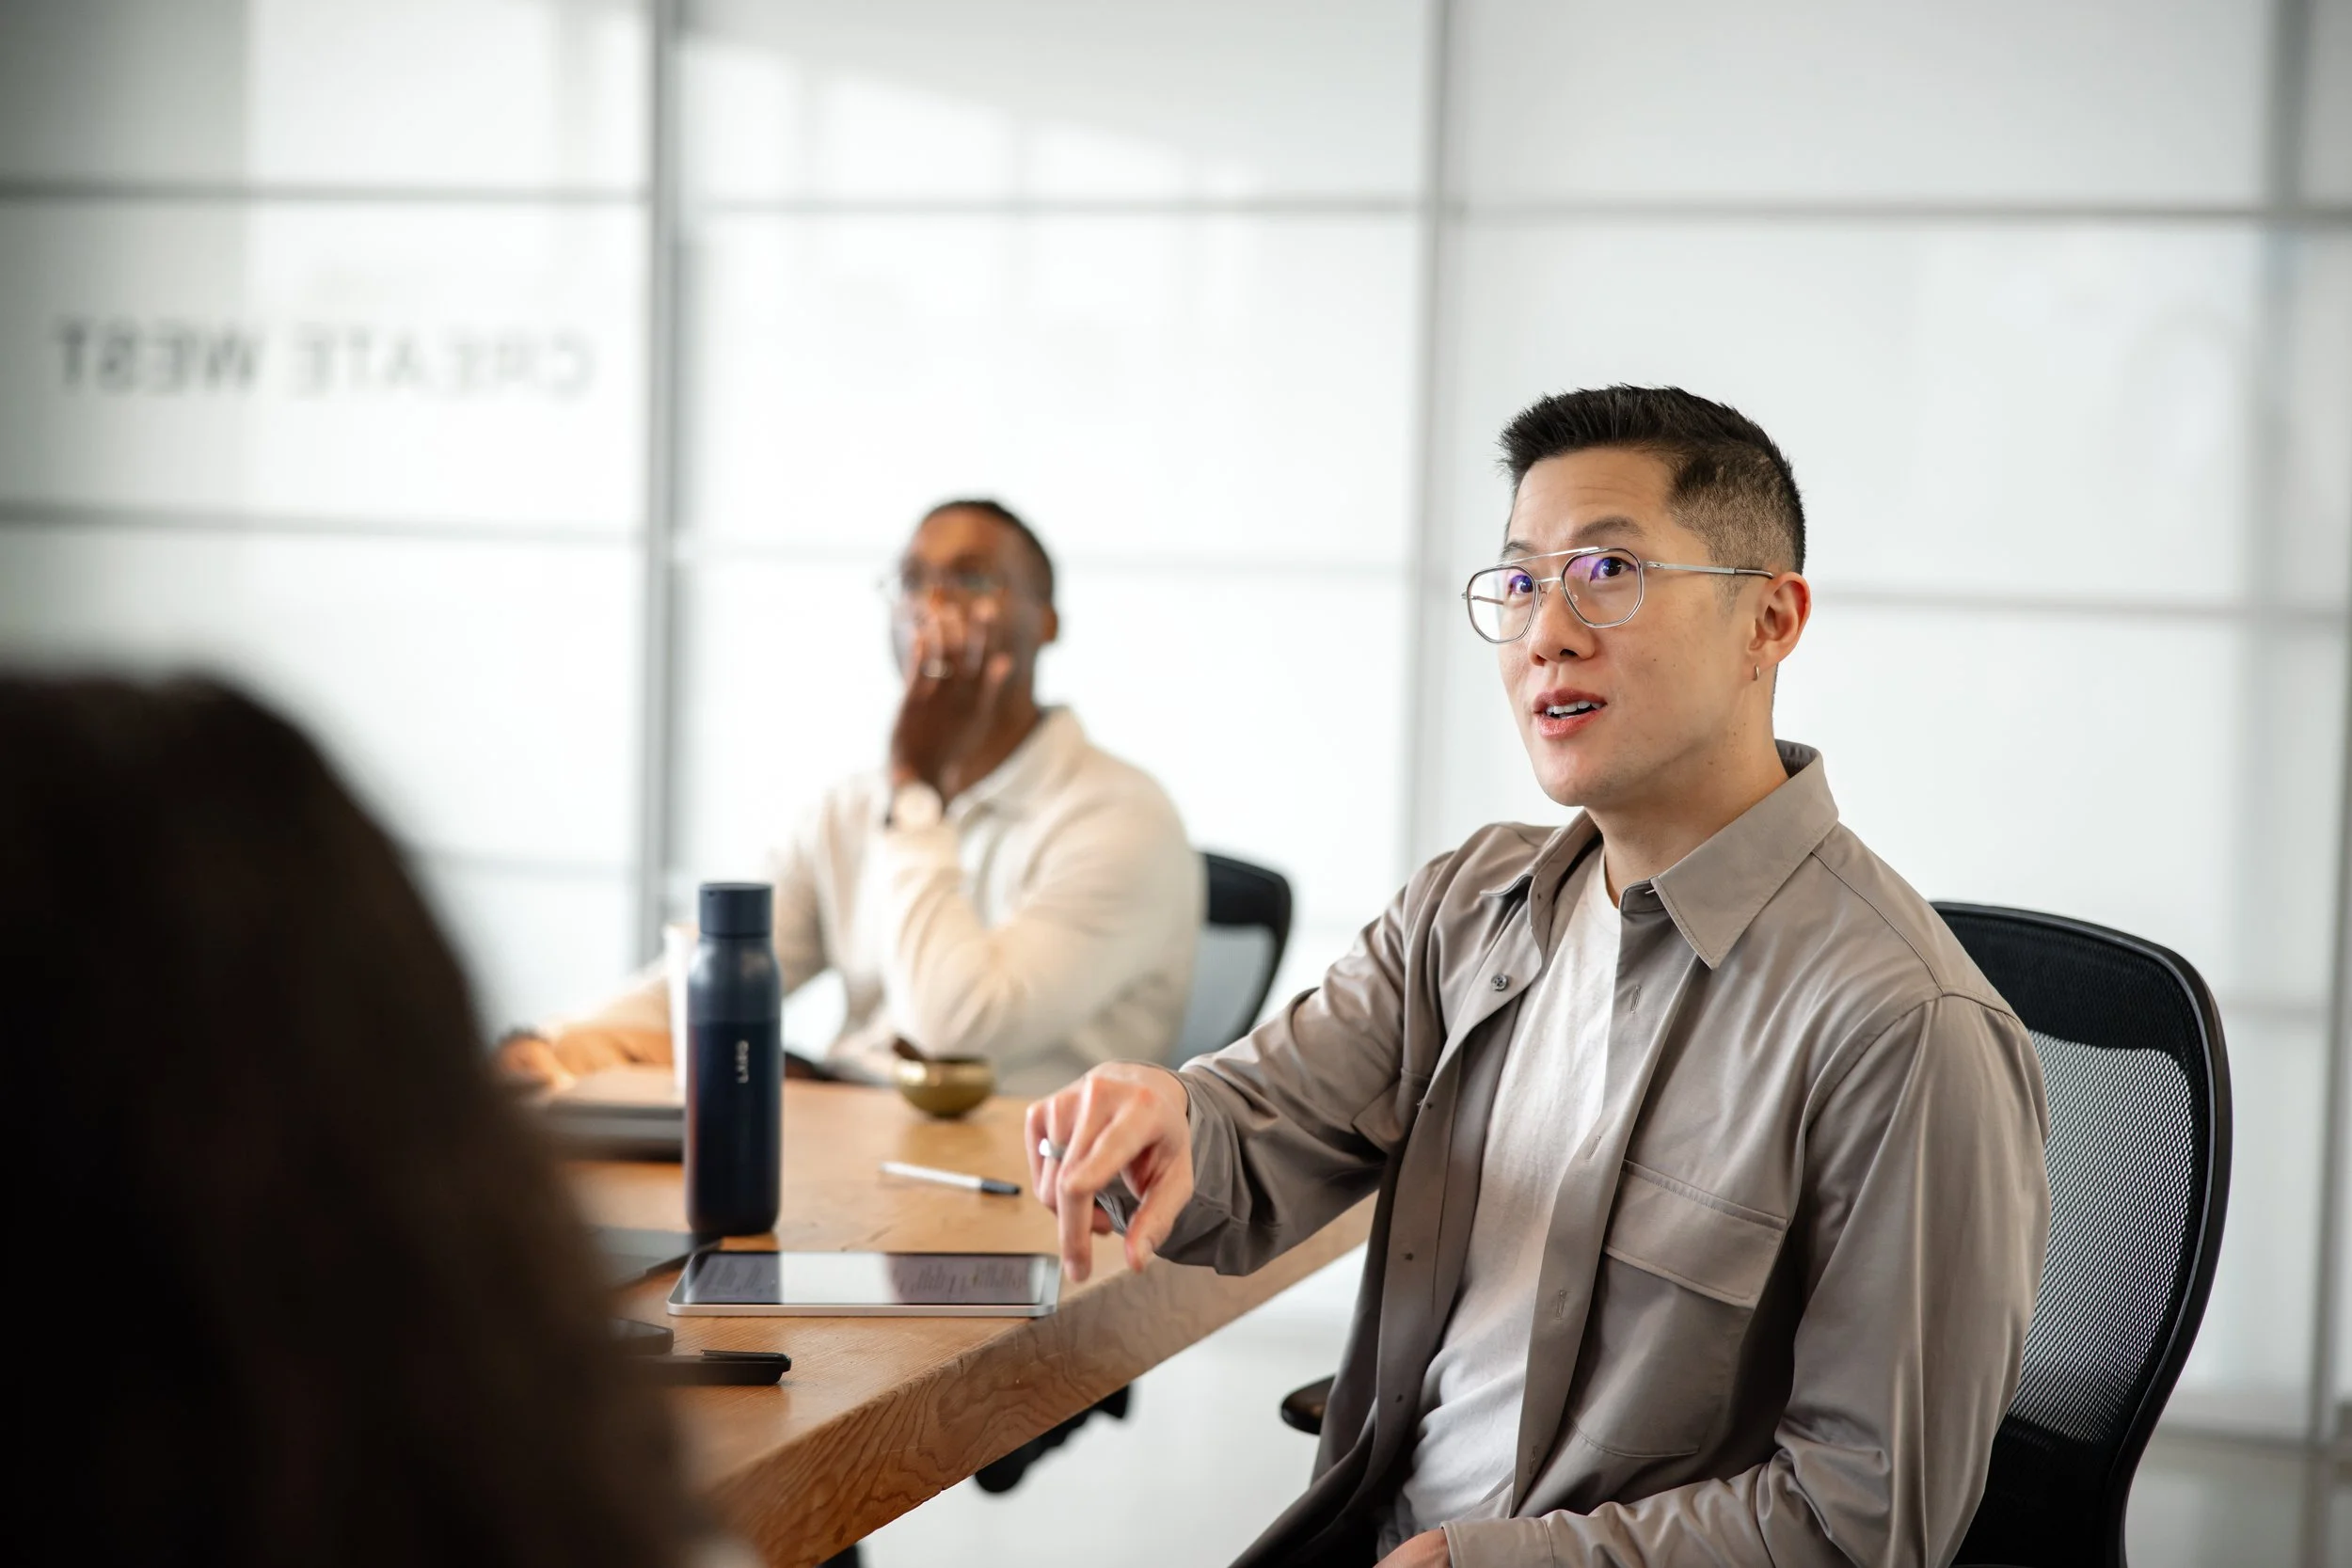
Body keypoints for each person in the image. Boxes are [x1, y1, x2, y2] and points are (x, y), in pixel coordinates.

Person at [1026, 388, 2051, 1568]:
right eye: (1518, 583)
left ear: (1770, 620)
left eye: (1607, 570)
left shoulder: (1903, 1026)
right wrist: (1170, 1116)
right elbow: (1258, 1130)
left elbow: (1862, 1523)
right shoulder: (1468, 907)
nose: (1546, 632)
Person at [2, 675, 710, 1568]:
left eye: (953, 583)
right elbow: (674, 983)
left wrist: (911, 798)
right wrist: (554, 1038)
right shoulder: (527, 1466)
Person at [502, 499, 1201, 1097]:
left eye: (972, 579)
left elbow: (953, 1032)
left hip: (1021, 1178)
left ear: (1046, 621)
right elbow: (713, 985)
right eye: (911, 582)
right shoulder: (848, 810)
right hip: (854, 1131)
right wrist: (554, 1044)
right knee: (618, 1083)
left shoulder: (1121, 816)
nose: (934, 607)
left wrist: (916, 792)